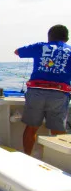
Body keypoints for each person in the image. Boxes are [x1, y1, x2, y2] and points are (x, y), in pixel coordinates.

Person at [15, 25, 71, 156]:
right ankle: (59, 162)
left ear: (49, 37)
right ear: (67, 38)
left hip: (36, 93)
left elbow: (17, 52)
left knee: (31, 128)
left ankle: (27, 156)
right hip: (59, 94)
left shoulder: (41, 46)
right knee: (57, 131)